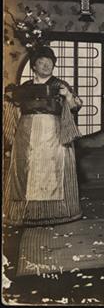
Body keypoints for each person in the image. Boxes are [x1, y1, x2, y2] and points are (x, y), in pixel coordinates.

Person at [3, 46, 83, 226]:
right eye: (41, 62)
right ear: (34, 66)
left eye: (50, 62)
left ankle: (59, 213)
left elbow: (76, 106)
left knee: (54, 169)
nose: (46, 65)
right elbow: (13, 106)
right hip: (27, 133)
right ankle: (25, 213)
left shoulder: (60, 84)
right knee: (26, 169)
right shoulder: (25, 87)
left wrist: (67, 96)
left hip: (54, 131)